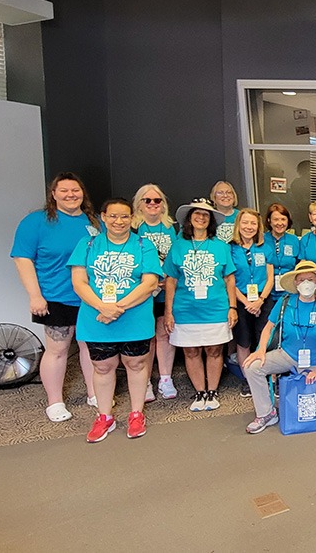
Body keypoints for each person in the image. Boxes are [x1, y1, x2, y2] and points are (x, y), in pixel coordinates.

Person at [69, 198, 162, 442]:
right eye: (113, 216)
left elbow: (150, 282)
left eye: (124, 217)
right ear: (103, 217)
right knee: (102, 367)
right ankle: (104, 417)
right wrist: (102, 306)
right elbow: (79, 281)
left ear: (132, 218)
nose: (119, 221)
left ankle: (136, 413)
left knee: (137, 365)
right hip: (96, 318)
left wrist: (116, 308)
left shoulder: (144, 245)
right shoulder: (88, 244)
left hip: (135, 317)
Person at [11, 172, 100, 422]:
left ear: (83, 193)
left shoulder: (94, 222)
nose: (71, 195)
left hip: (91, 298)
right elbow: (22, 259)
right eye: (64, 190)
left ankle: (95, 394)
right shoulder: (36, 221)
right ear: (53, 194)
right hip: (55, 296)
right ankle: (55, 402)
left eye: (75, 190)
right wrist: (35, 296)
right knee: (58, 349)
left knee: (90, 346)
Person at [241, 261, 316, 434]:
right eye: (301, 280)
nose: (306, 283)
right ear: (295, 283)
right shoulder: (285, 302)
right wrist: (261, 350)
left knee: (310, 397)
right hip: (287, 354)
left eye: (310, 279)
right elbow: (269, 327)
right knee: (252, 367)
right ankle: (267, 413)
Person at [163, 199, 238, 412]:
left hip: (215, 308)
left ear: (211, 220)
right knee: (191, 351)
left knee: (214, 350)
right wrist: (168, 312)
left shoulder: (221, 247)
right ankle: (199, 392)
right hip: (185, 309)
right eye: (197, 214)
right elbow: (171, 280)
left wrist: (232, 307)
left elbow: (229, 279)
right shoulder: (178, 246)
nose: (202, 218)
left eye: (206, 215)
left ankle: (212, 391)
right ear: (189, 218)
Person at [131, 183, 179, 400]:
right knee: (147, 336)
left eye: (157, 200)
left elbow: (176, 257)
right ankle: (146, 381)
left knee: (164, 333)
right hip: (142, 290)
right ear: (139, 203)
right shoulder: (132, 227)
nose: (152, 204)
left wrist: (166, 280)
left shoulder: (171, 227)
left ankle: (166, 378)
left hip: (165, 288)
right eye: (147, 200)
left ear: (163, 204)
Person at [230, 208, 275, 391]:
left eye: (253, 224)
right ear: (238, 225)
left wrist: (260, 300)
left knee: (264, 339)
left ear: (258, 227)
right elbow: (229, 280)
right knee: (244, 341)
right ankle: (248, 379)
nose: (249, 227)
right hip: (241, 300)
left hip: (263, 298)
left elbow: (270, 276)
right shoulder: (230, 248)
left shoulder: (265, 248)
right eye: (245, 223)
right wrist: (247, 303)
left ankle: (266, 376)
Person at [263, 203, 299, 299]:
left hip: (290, 290)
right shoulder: (261, 240)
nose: (280, 223)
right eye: (276, 219)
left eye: (283, 219)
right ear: (269, 220)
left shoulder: (294, 240)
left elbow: (299, 264)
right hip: (266, 292)